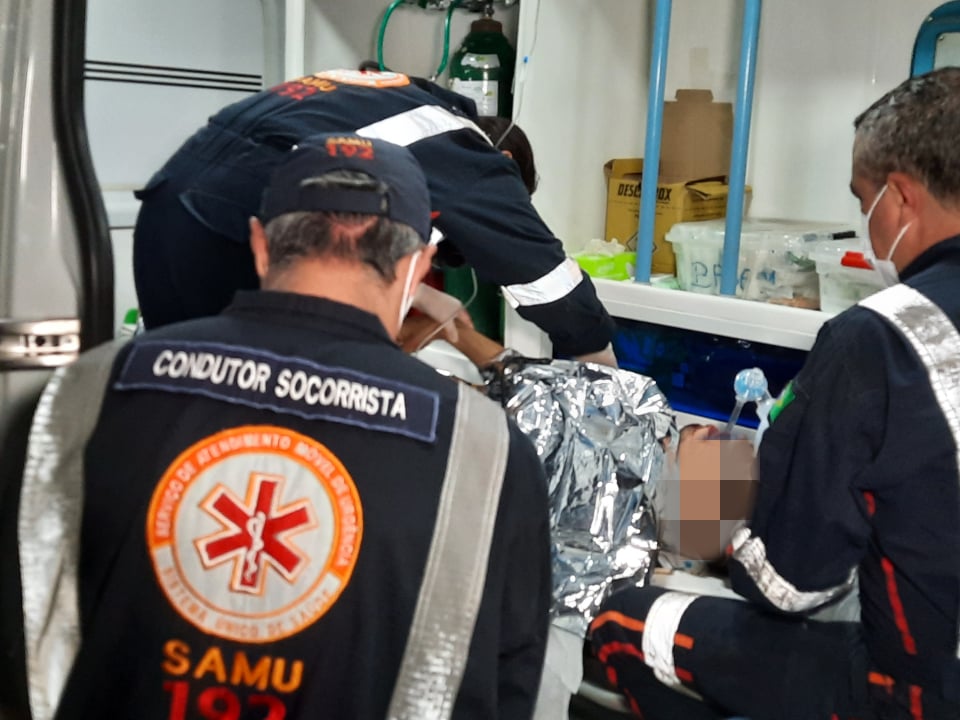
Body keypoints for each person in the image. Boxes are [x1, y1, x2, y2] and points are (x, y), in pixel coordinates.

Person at [17, 134, 551, 720]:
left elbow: (25, 623)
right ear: (416, 267)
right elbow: (507, 682)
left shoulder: (91, 388)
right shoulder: (488, 452)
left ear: (260, 246)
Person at [589, 68, 960, 720]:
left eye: (863, 201)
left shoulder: (881, 337)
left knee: (622, 621)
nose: (867, 226)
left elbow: (790, 589)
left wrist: (715, 511)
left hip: (919, 690)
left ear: (900, 199)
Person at [132, 67, 617, 366]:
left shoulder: (397, 103)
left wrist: (422, 295)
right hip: (232, 233)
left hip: (164, 213)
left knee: (185, 396)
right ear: (506, 165)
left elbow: (339, 218)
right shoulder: (466, 151)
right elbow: (553, 285)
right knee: (260, 415)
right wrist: (601, 368)